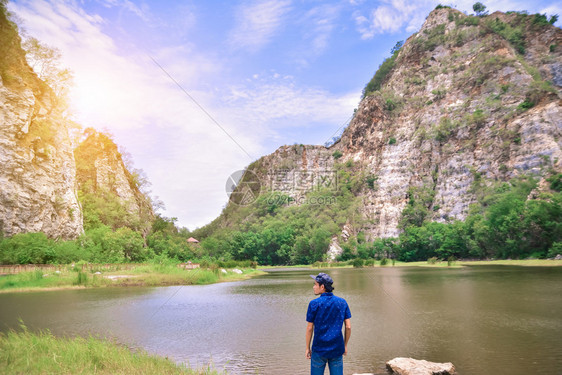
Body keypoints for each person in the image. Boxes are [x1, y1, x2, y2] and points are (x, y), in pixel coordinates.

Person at [305, 272, 351, 375]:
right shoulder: (342, 302)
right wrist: (345, 345)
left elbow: (309, 328)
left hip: (319, 348)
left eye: (315, 284)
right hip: (337, 348)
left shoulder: (314, 304)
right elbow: (348, 327)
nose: (313, 287)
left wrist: (307, 348)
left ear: (322, 287)